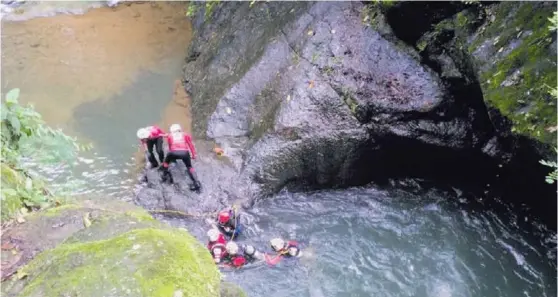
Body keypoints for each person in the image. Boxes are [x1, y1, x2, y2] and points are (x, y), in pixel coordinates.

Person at [161, 124, 201, 190]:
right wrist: (194, 155)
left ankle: (164, 175)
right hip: (184, 153)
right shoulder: (185, 134)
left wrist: (172, 156)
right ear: (179, 129)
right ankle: (196, 182)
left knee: (166, 162)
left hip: (173, 152)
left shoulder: (170, 136)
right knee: (189, 167)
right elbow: (191, 145)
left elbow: (170, 146)